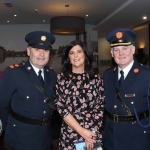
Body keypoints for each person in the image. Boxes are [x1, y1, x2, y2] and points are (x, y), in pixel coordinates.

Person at [0, 31, 57, 150]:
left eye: (46, 50)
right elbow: (2, 105)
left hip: (45, 136)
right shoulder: (13, 73)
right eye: (37, 49)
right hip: (20, 138)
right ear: (28, 51)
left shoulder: (52, 75)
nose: (42, 54)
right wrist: (10, 128)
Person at [103, 28, 150, 150]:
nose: (120, 53)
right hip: (111, 137)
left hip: (137, 138)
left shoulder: (147, 74)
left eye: (125, 48)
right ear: (112, 53)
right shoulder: (108, 74)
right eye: (116, 50)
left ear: (133, 50)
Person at [54, 40, 104, 150]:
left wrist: (91, 135)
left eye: (79, 51)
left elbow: (99, 107)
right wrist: (82, 132)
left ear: (85, 54)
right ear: (68, 57)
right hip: (70, 133)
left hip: (92, 134)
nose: (75, 55)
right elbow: (61, 108)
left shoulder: (96, 79)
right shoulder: (61, 79)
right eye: (72, 53)